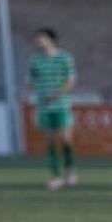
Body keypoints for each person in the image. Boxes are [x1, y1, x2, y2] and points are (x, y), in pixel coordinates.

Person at [26, 28, 77, 190]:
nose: (38, 41)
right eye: (37, 39)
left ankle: (70, 170)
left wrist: (55, 95)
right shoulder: (34, 61)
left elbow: (71, 81)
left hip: (61, 105)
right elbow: (30, 81)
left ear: (51, 40)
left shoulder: (64, 58)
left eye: (41, 38)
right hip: (44, 107)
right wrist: (24, 94)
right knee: (50, 141)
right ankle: (56, 176)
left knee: (65, 140)